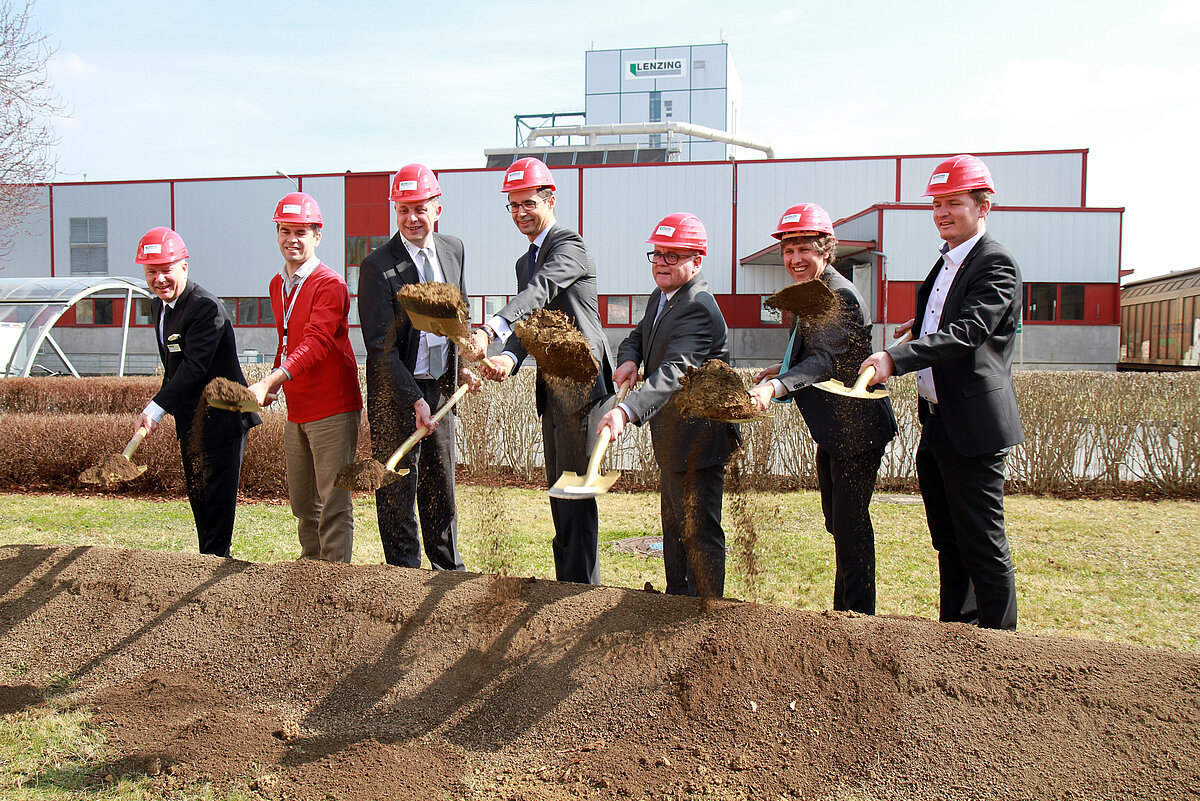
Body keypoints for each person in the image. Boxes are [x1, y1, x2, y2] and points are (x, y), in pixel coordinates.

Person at [860, 155, 1024, 631]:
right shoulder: (948, 261)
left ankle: (999, 643)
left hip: (973, 426)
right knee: (948, 538)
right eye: (937, 203)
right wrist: (918, 330)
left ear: (983, 206)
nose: (942, 212)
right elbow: (949, 320)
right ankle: (957, 633)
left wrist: (895, 359)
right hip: (938, 421)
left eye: (954, 202)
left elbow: (970, 330)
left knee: (981, 541)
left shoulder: (995, 262)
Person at [468, 157, 614, 585]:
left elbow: (542, 291)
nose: (519, 213)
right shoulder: (523, 262)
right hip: (553, 388)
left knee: (574, 494)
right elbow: (531, 320)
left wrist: (492, 327)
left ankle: (580, 594)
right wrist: (509, 357)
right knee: (559, 492)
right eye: (512, 206)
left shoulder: (569, 245)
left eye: (527, 203)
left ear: (551, 200)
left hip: (584, 385)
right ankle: (566, 586)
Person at [747, 204, 896, 614]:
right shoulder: (813, 292)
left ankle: (858, 618)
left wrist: (779, 385)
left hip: (857, 429)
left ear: (825, 250)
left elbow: (826, 361)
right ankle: (843, 612)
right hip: (834, 428)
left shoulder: (839, 295)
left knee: (850, 527)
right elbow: (818, 351)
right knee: (838, 523)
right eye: (788, 250)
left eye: (805, 249)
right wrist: (784, 366)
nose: (795, 259)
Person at [597, 214, 739, 597]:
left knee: (698, 531)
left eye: (672, 256)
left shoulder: (697, 306)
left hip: (698, 443)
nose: (661, 263)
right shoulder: (663, 297)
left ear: (697, 260)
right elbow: (639, 336)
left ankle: (703, 615)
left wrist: (626, 410)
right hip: (674, 439)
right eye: (657, 254)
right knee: (675, 528)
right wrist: (629, 357)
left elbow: (676, 370)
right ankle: (676, 602)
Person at [358, 164, 480, 570]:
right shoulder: (377, 266)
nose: (412, 218)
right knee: (398, 493)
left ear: (437, 207)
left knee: (440, 490)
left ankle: (448, 575)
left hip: (441, 393)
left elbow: (455, 318)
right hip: (396, 396)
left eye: (419, 208)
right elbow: (380, 348)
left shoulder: (454, 250)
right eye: (403, 209)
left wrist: (461, 362)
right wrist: (413, 400)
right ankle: (404, 580)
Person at [248, 192, 363, 563]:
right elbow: (288, 340)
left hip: (332, 405)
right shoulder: (278, 284)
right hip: (298, 406)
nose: (291, 239)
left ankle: (333, 578)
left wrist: (274, 380)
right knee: (302, 500)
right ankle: (310, 567)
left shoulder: (330, 284)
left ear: (317, 235)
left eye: (301, 231)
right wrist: (274, 380)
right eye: (285, 231)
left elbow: (316, 343)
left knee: (333, 499)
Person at [136, 227, 259, 558]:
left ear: (184, 267)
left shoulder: (204, 307)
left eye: (167, 269)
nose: (159, 278)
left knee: (216, 507)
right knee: (200, 500)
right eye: (152, 271)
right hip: (191, 422)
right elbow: (173, 370)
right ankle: (207, 563)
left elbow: (194, 369)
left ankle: (216, 575)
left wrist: (156, 407)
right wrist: (158, 412)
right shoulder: (159, 308)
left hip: (222, 420)